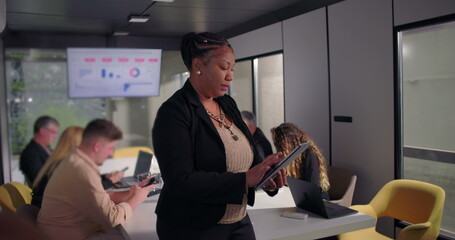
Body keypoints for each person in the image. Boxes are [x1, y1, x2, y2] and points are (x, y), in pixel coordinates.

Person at [152, 32, 287, 240]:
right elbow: (179, 181)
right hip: (191, 226)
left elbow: (242, 159)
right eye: (224, 68)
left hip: (238, 219)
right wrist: (245, 180)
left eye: (232, 69)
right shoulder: (173, 112)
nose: (230, 76)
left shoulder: (227, 103)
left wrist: (263, 177)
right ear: (198, 65)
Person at [37, 119, 154, 240]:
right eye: (110, 148)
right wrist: (136, 199)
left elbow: (100, 197)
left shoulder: (74, 161)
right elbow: (112, 218)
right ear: (97, 146)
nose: (110, 153)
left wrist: (131, 193)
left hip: (65, 230)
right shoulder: (83, 171)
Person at [31, 126, 125, 208]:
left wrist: (104, 177)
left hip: (42, 214)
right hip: (53, 219)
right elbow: (89, 192)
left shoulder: (57, 161)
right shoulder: (67, 166)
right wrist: (111, 181)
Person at [271, 122, 330, 199]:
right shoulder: (291, 157)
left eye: (278, 143)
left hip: (317, 202)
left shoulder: (310, 154)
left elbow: (312, 187)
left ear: (287, 143)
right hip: (303, 199)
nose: (277, 146)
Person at [20, 115, 60, 185]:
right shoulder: (30, 153)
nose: (55, 136)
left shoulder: (46, 150)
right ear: (42, 131)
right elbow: (39, 180)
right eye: (53, 132)